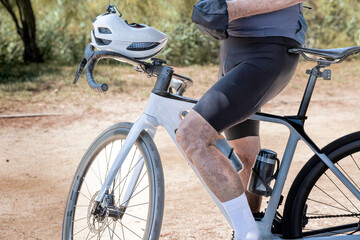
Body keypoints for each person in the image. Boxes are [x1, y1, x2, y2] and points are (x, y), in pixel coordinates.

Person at [176, 1, 306, 239]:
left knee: (192, 134)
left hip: (268, 49)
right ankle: (255, 227)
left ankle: (248, 234)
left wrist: (232, 8)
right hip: (233, 48)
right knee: (245, 155)